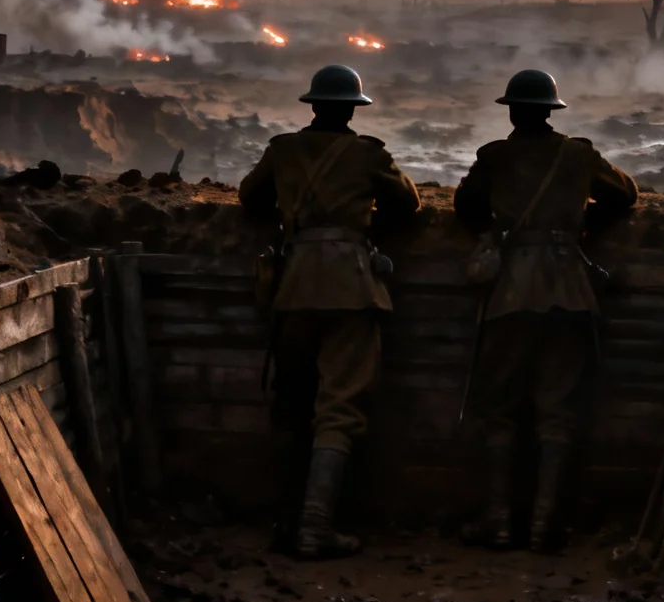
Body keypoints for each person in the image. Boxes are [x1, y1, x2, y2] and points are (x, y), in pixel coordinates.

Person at [239, 64, 420, 559]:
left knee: (292, 403)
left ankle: (286, 522)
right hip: (350, 289)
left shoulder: (283, 150)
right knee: (338, 409)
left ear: (314, 105)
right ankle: (316, 527)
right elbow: (409, 203)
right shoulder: (367, 154)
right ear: (352, 110)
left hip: (294, 287)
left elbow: (249, 199)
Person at [453, 68, 638, 552]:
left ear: (512, 110)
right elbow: (624, 195)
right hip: (570, 293)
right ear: (552, 111)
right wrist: (576, 225)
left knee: (500, 411)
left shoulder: (495, 157)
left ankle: (498, 525)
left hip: (511, 293)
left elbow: (465, 205)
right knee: (558, 413)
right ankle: (543, 528)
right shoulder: (577, 154)